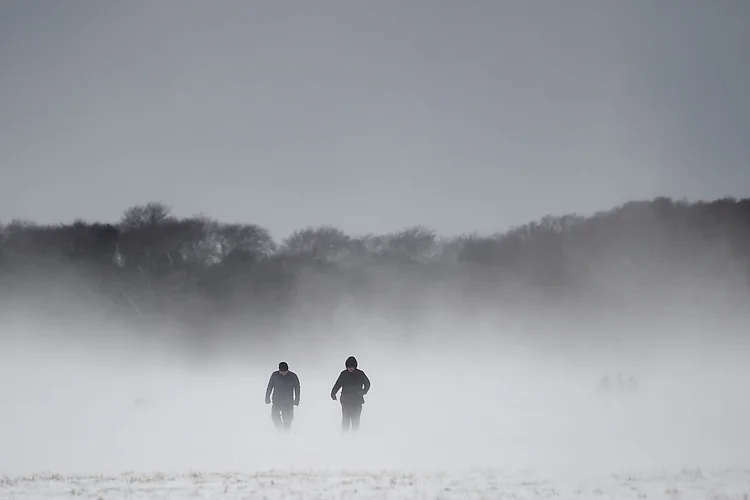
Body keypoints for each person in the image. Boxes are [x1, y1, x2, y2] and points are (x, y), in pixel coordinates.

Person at [330, 356, 370, 432]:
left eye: (352, 367)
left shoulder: (360, 374)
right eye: (349, 367)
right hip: (346, 401)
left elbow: (367, 384)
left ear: (355, 367)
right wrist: (333, 393)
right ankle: (345, 438)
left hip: (357, 401)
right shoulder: (344, 374)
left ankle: (355, 438)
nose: (350, 368)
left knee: (356, 420)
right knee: (345, 419)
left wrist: (363, 392)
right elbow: (337, 384)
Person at [265, 361, 300, 432]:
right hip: (277, 400)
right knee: (274, 416)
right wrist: (267, 397)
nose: (283, 373)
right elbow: (270, 386)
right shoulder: (275, 375)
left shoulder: (293, 376)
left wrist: (297, 400)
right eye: (282, 371)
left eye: (285, 371)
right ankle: (280, 429)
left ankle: (286, 435)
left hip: (288, 402)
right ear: (279, 370)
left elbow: (297, 388)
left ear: (288, 370)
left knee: (288, 419)